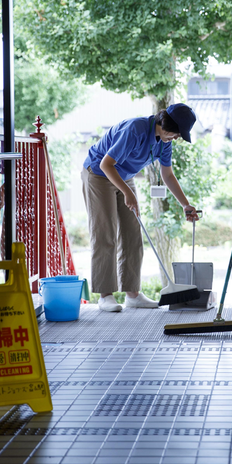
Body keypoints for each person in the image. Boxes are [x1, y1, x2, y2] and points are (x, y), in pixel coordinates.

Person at [81, 104, 200, 312]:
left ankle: (132, 294)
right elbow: (106, 164)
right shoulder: (135, 130)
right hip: (99, 174)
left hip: (124, 177)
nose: (176, 138)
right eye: (176, 134)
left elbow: (168, 175)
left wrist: (185, 204)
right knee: (105, 233)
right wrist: (127, 192)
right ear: (165, 125)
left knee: (133, 233)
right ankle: (105, 295)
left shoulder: (165, 142)